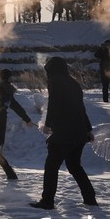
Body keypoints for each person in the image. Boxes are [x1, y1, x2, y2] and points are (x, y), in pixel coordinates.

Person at [30, 57, 97, 210]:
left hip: (63, 134)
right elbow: (81, 109)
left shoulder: (54, 81)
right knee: (74, 166)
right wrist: (88, 130)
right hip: (78, 134)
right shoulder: (74, 83)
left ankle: (47, 201)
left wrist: (47, 125)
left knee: (51, 167)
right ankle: (90, 198)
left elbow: (53, 104)